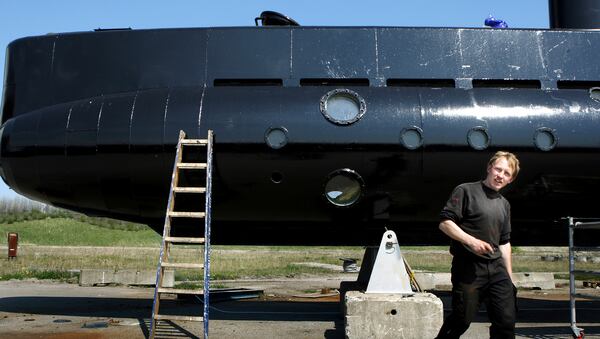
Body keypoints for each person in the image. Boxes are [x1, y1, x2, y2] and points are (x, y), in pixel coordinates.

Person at [435, 151, 520, 339]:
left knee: (506, 322)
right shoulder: (466, 190)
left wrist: (510, 278)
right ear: (489, 168)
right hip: (469, 268)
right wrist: (471, 241)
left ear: (511, 179)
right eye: (498, 169)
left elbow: (504, 243)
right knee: (461, 320)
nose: (501, 175)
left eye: (507, 173)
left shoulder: (504, 204)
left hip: (497, 270)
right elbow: (445, 223)